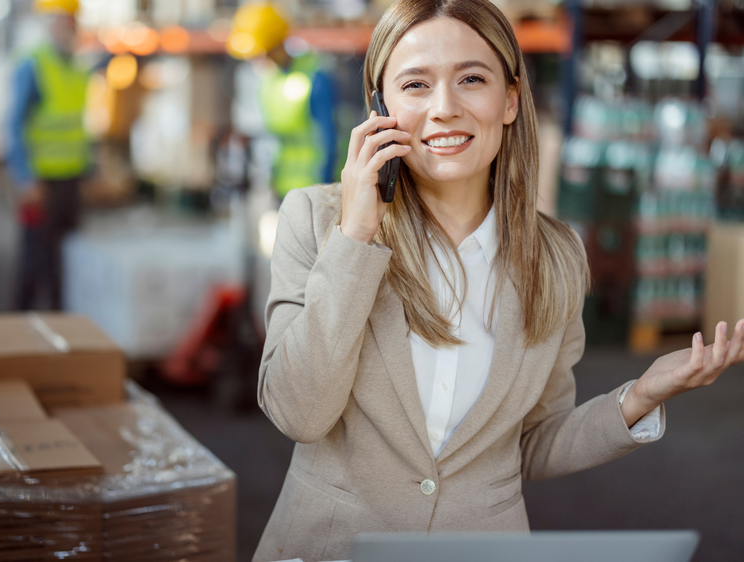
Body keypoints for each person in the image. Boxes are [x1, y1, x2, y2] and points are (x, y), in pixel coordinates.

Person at [253, 0, 744, 560]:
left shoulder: (556, 257)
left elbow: (531, 444)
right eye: (415, 84)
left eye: (471, 79)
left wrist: (640, 396)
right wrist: (356, 235)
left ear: (510, 99)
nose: (444, 108)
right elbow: (299, 413)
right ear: (379, 105)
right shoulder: (317, 222)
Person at [5, 0, 91, 310]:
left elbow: (76, 125)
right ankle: (21, 330)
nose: (73, 28)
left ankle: (60, 334)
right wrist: (25, 178)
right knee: (34, 262)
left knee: (64, 263)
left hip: (70, 178)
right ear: (52, 22)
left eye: (75, 21)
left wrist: (90, 169)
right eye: (68, 21)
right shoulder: (34, 64)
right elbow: (14, 125)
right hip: (40, 181)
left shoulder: (75, 66)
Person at [227, 2, 337, 199]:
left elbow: (329, 141)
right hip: (279, 189)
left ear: (276, 43)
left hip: (315, 191)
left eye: (261, 52)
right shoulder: (268, 79)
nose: (256, 60)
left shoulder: (314, 76)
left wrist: (326, 191)